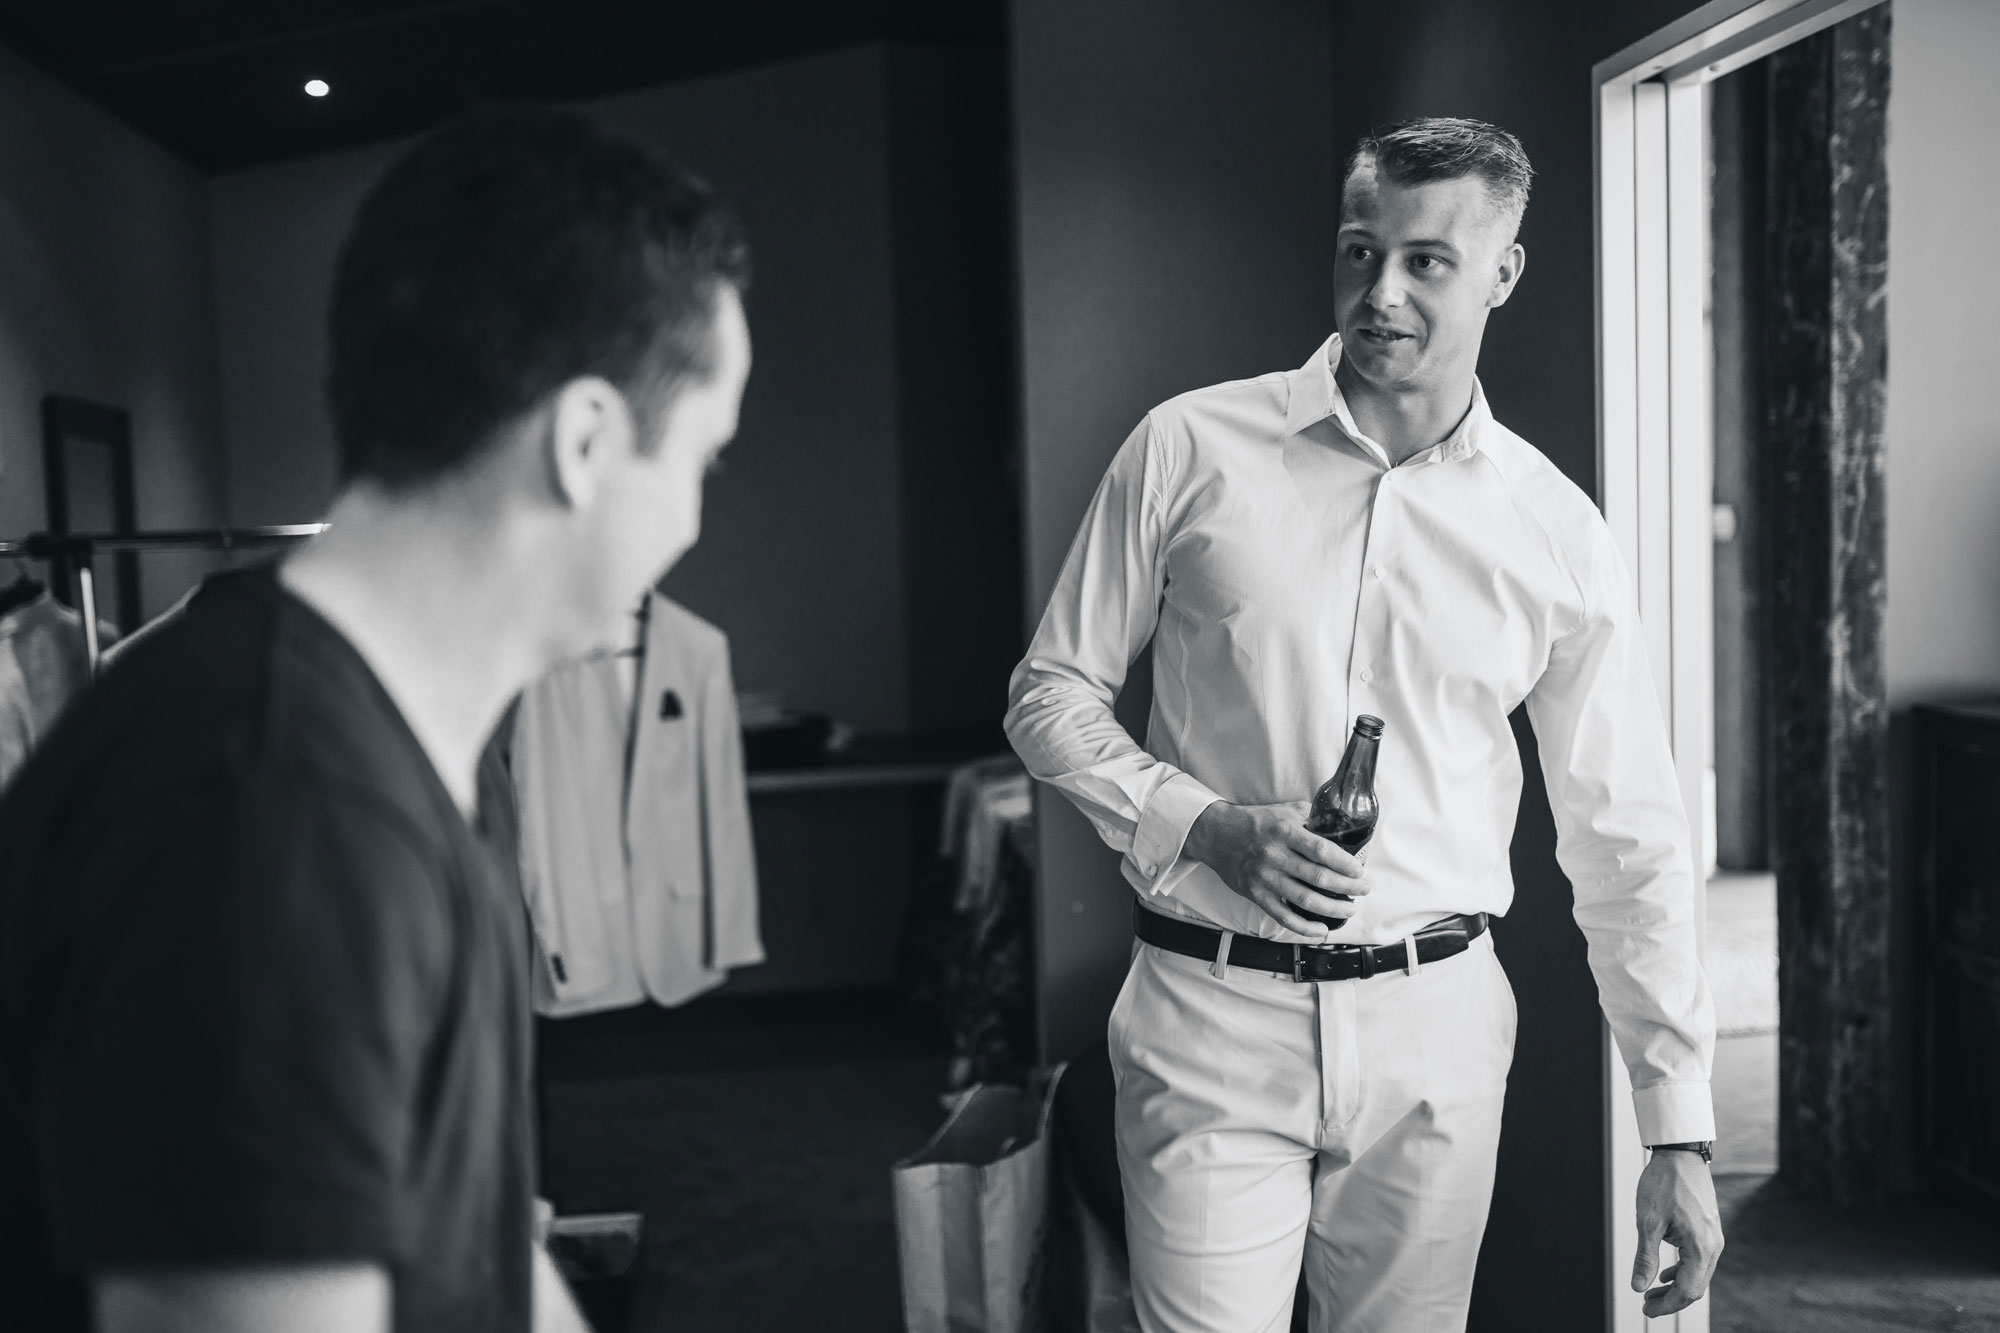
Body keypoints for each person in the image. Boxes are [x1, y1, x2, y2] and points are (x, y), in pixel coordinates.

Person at [0, 107, 752, 1333]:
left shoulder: (423, 753)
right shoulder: (269, 806)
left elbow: (479, 1235)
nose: (692, 525)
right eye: (701, 463)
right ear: (584, 442)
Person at [1005, 117, 1721, 1332]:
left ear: (1502, 273)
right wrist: (1203, 824)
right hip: (1207, 1013)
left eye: (1425, 262)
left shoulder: (1554, 529)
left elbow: (1627, 836)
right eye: (1356, 251)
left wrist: (1678, 1128)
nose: (1377, 294)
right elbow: (1049, 694)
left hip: (1434, 1032)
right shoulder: (1189, 447)